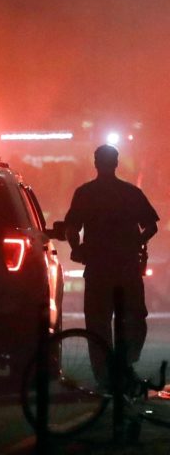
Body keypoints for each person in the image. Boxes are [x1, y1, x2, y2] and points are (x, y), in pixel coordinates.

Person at [64, 144, 159, 387]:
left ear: (96, 163)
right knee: (133, 319)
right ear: (116, 163)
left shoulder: (85, 193)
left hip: (98, 269)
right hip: (126, 267)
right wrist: (135, 242)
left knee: (98, 322)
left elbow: (71, 228)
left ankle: (105, 375)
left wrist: (77, 248)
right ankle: (124, 366)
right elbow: (151, 226)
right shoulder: (130, 193)